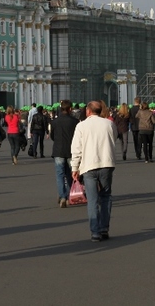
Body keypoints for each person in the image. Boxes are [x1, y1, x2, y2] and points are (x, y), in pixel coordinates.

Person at [71, 101, 117, 242]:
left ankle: (95, 232)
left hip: (88, 166)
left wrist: (74, 168)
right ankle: (104, 228)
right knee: (106, 196)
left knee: (92, 199)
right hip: (106, 163)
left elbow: (76, 148)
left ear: (88, 111)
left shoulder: (81, 126)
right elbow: (114, 138)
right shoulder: (109, 124)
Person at [50, 100, 79, 207]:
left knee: (59, 174)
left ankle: (62, 196)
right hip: (71, 151)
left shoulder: (54, 122)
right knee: (71, 174)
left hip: (58, 150)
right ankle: (68, 195)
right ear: (70, 109)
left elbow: (52, 136)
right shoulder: (75, 122)